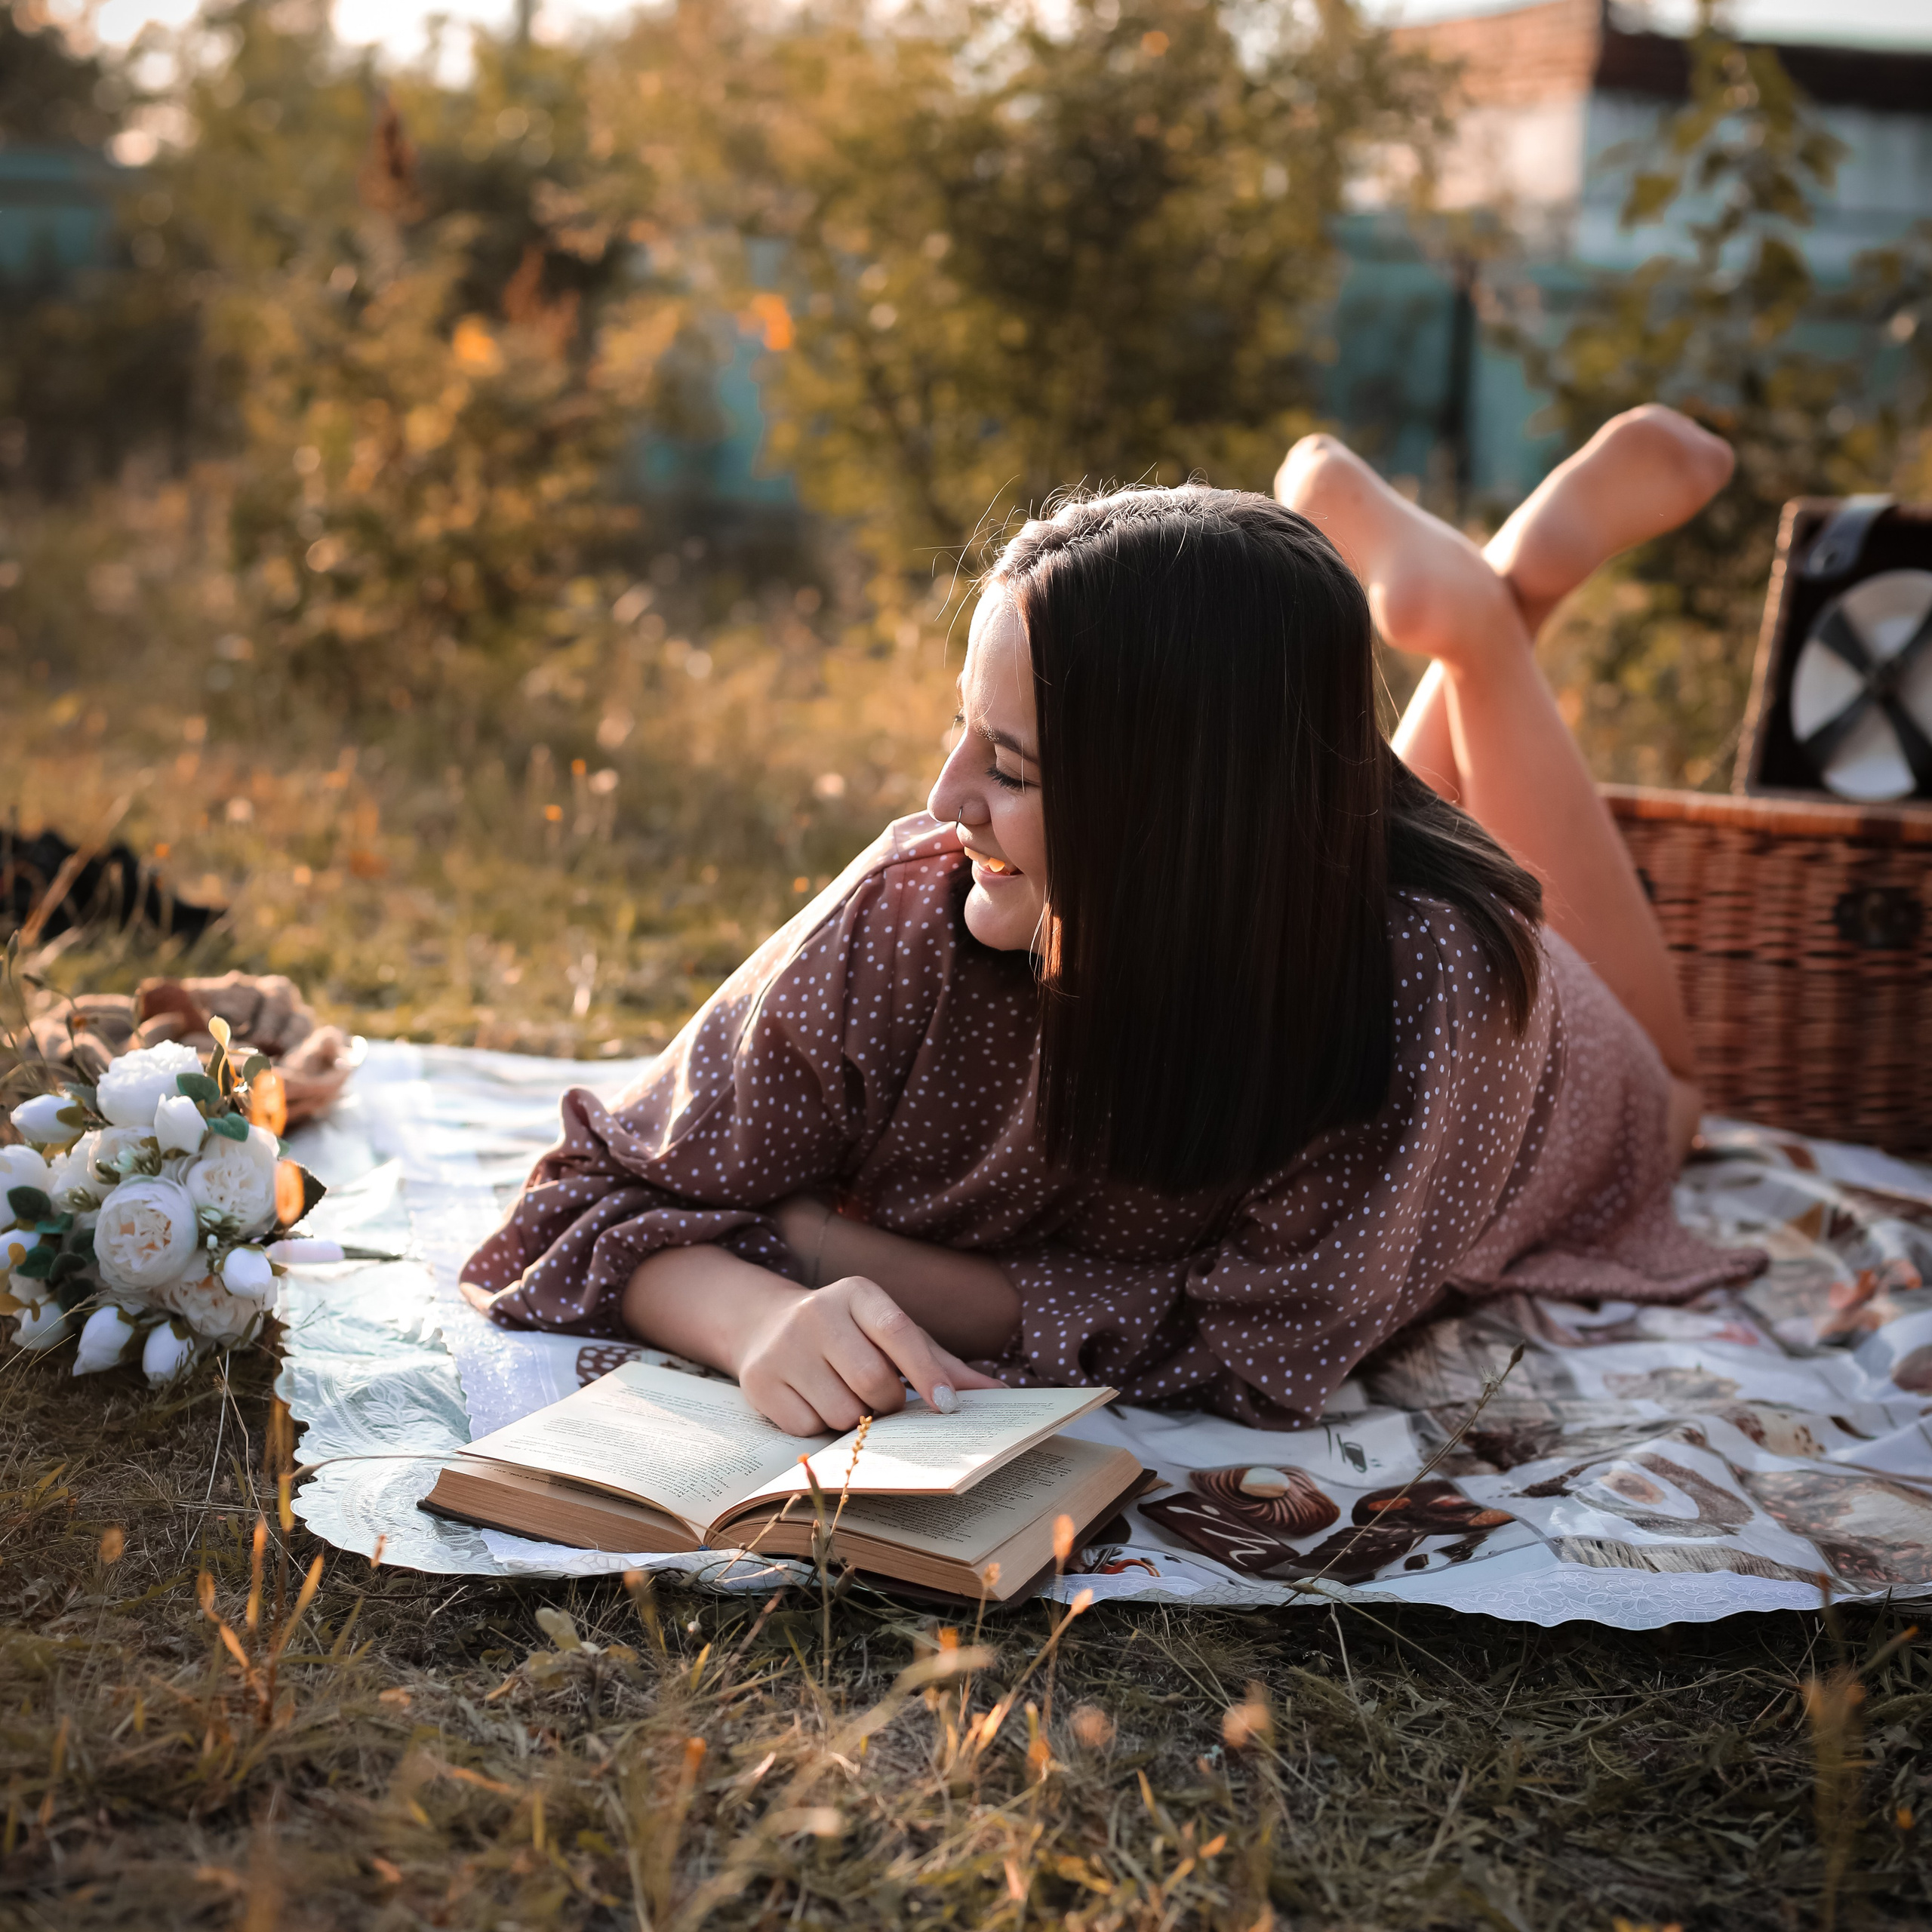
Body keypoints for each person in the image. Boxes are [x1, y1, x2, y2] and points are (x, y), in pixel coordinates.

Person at [461, 405, 1764, 1436]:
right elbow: (585, 1199)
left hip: (1558, 1070)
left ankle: (1486, 624)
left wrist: (831, 1251)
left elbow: (1251, 1351)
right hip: (1277, 874)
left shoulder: (1444, 988)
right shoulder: (915, 905)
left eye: (1013, 769)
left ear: (1178, 818)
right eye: (958, 728)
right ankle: (1469, 606)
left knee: (1684, 1092)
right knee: (1325, 800)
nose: (942, 799)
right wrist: (750, 1315)